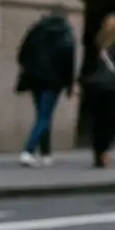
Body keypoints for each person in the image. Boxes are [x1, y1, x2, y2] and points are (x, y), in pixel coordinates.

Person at [15, 9, 77, 166]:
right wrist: (69, 85)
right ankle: (28, 151)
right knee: (44, 116)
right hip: (53, 82)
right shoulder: (66, 34)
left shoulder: (37, 30)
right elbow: (68, 63)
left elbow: (22, 53)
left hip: (35, 80)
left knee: (42, 115)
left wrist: (29, 69)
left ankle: (46, 153)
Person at [79, 13, 115, 169]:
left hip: (94, 87)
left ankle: (98, 152)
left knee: (97, 121)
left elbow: (87, 66)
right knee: (111, 122)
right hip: (112, 88)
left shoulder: (97, 45)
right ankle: (104, 151)